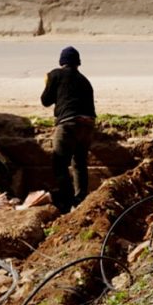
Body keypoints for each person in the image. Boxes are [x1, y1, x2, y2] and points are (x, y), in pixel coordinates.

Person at [40, 46, 96, 213]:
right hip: (88, 125)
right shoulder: (85, 81)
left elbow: (45, 100)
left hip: (68, 124)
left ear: (62, 61)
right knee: (80, 163)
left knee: (60, 164)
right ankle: (80, 199)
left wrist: (47, 82)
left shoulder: (55, 74)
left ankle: (66, 201)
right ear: (78, 63)